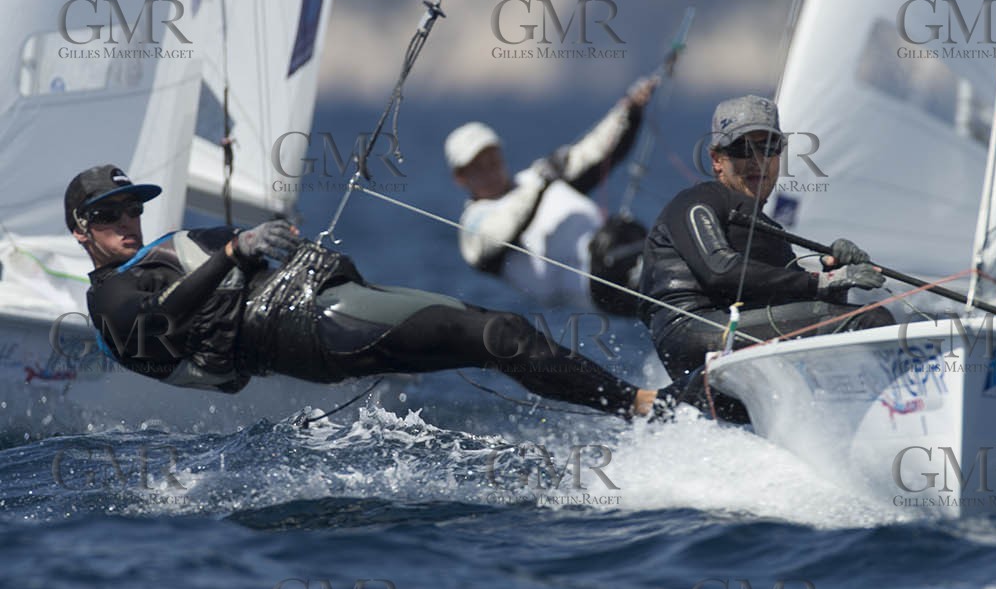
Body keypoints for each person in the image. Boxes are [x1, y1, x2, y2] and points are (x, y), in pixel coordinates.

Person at [67, 164, 662, 418]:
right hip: (306, 326)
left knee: (500, 338)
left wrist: (272, 242)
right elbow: (157, 321)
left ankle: (641, 409)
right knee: (501, 333)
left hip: (317, 310)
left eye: (131, 208)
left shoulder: (159, 252)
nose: (126, 221)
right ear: (80, 231)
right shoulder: (110, 298)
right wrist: (234, 251)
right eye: (107, 215)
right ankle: (644, 407)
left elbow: (244, 255)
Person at [639, 95, 894, 388]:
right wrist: (824, 281)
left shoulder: (766, 229)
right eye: (742, 149)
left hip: (732, 337)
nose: (757, 161)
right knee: (869, 320)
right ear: (717, 160)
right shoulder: (696, 202)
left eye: (768, 148)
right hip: (694, 331)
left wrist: (835, 275)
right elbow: (721, 270)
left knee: (843, 328)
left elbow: (809, 308)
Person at [446, 76, 657, 315]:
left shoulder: (534, 178)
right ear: (460, 178)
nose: (490, 171)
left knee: (658, 239)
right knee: (646, 261)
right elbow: (498, 234)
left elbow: (592, 150)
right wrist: (540, 182)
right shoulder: (474, 224)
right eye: (478, 167)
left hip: (621, 246)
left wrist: (628, 110)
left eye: (493, 160)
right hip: (599, 282)